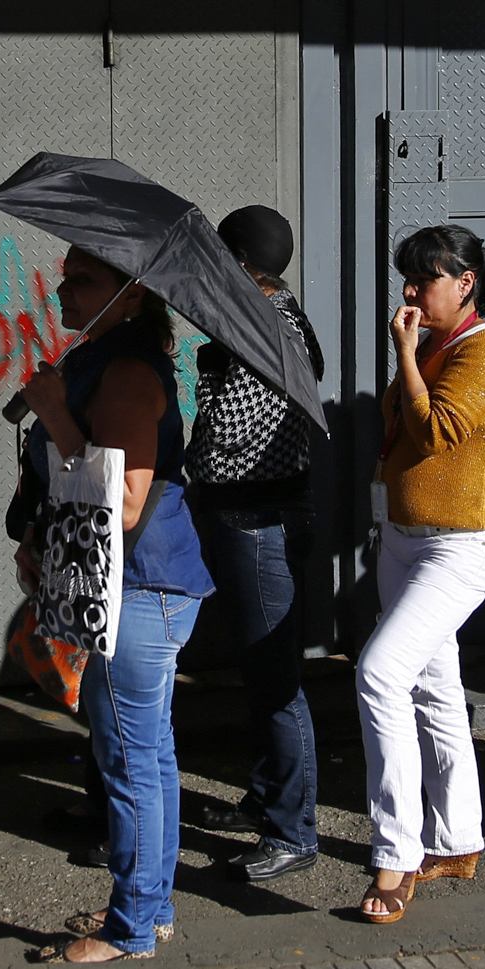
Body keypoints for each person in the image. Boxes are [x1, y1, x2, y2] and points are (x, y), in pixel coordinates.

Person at [19, 248, 209, 965]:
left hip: (144, 585)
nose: (63, 290)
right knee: (144, 754)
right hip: (135, 585)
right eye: (63, 275)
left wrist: (54, 413)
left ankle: (131, 928)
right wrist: (39, 535)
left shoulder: (128, 373)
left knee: (131, 760)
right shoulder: (105, 357)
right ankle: (147, 907)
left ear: (130, 294)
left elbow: (124, 502)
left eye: (82, 280)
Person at [353, 226, 485, 923]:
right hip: (405, 538)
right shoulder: (435, 344)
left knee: (380, 673)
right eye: (408, 277)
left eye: (426, 277)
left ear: (466, 283)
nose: (411, 291)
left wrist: (402, 353)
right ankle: (455, 839)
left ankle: (397, 855)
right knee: (433, 685)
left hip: (461, 547)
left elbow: (436, 431)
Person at [186, 203, 326, 884]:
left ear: (243, 264)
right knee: (261, 671)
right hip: (255, 518)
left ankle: (294, 833)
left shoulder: (266, 329)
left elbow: (227, 434)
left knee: (276, 684)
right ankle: (267, 799)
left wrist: (209, 373)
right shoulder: (272, 320)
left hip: (258, 522)